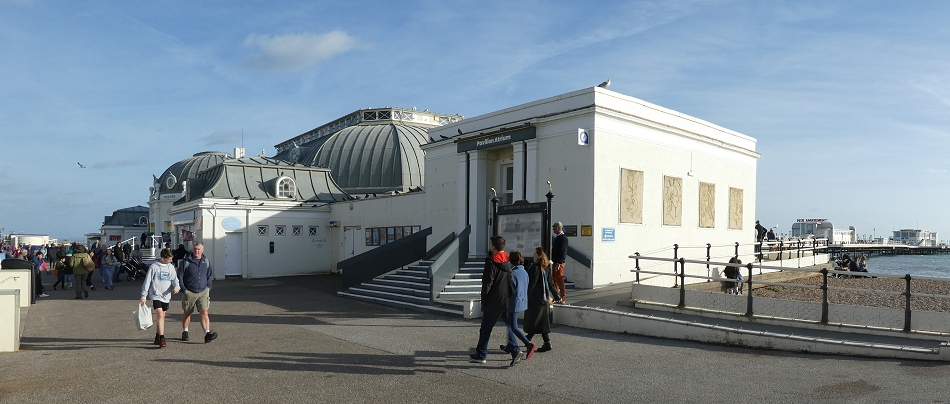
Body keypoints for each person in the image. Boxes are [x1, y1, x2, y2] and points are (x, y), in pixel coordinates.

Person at [470, 236, 514, 365]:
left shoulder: (491, 262)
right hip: (506, 298)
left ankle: (481, 355)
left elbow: (487, 283)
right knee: (510, 325)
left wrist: (484, 299)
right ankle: (516, 348)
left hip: (494, 300)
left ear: (494, 247)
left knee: (485, 328)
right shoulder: (508, 261)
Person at [178, 241, 217, 343]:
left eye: (198, 249)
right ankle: (185, 331)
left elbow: (209, 275)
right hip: (189, 292)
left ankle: (207, 334)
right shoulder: (186, 261)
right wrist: (184, 290)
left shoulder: (206, 261)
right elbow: (180, 276)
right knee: (187, 312)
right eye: (195, 249)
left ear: (202, 250)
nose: (196, 251)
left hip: (203, 291)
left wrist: (208, 287)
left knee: (204, 311)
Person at [141, 248, 180, 348]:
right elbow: (147, 281)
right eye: (169, 259)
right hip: (155, 294)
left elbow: (174, 279)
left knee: (163, 316)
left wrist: (176, 287)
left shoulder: (170, 267)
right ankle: (162, 338)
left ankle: (157, 336)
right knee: (160, 314)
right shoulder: (154, 267)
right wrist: (143, 296)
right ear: (162, 258)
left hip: (166, 296)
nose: (171, 261)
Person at [500, 251, 536, 362]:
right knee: (509, 323)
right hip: (522, 301)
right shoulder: (524, 272)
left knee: (513, 326)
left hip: (513, 302)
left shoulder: (512, 273)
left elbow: (509, 289)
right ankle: (510, 345)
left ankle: (528, 344)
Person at [523, 247, 560, 352]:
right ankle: (542, 342)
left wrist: (525, 297)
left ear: (539, 256)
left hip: (535, 300)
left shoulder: (534, 268)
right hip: (545, 300)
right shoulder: (546, 268)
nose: (533, 256)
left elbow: (531, 285)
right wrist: (557, 296)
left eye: (535, 254)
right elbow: (551, 284)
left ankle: (527, 340)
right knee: (540, 322)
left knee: (534, 321)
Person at [551, 221, 568, 304]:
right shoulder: (558, 237)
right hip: (555, 262)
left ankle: (562, 298)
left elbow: (563, 252)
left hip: (559, 263)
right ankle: (557, 297)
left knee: (560, 280)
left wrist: (559, 263)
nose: (553, 229)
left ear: (558, 228)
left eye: (554, 228)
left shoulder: (563, 238)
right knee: (555, 280)